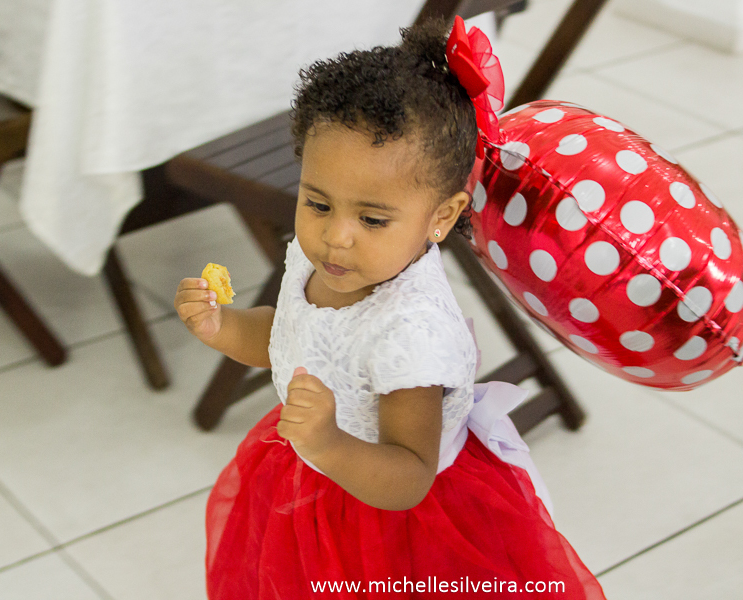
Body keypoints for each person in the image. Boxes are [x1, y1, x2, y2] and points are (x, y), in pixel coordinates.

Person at [174, 17, 606, 600]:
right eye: (317, 203)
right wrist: (222, 326)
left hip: (387, 520)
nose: (337, 238)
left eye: (372, 219)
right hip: (314, 472)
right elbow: (288, 336)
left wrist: (327, 442)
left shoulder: (410, 333)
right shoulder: (315, 258)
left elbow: (409, 476)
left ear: (442, 217)